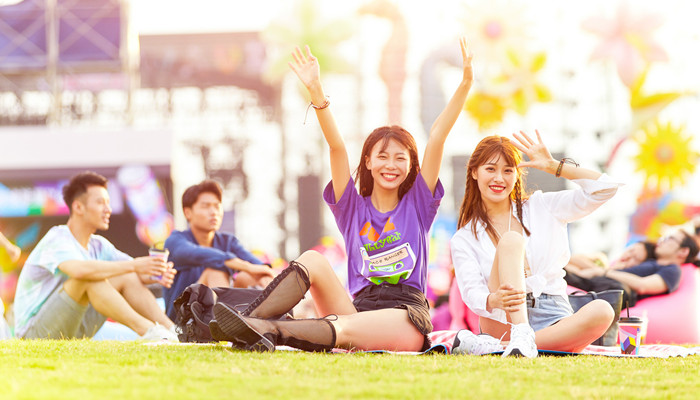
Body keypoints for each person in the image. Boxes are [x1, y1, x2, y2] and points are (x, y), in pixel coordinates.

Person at [209, 38, 473, 353]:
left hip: (404, 316)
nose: (391, 165)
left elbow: (437, 135)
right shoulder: (351, 207)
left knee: (343, 328)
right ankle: (249, 321)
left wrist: (465, 84)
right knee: (313, 260)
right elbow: (336, 147)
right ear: (368, 162)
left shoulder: (418, 203)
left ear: (411, 166)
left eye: (401, 158)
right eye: (383, 156)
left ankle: (263, 329)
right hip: (356, 308)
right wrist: (317, 92)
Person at [450, 133, 622, 357]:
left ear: (516, 174)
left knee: (603, 311)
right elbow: (472, 292)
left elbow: (605, 189)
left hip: (554, 314)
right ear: (474, 172)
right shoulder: (464, 237)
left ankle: (501, 348)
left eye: (508, 170)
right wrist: (493, 299)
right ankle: (521, 334)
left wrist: (554, 167)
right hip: (502, 318)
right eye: (490, 169)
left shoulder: (542, 206)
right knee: (511, 240)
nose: (499, 178)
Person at [13, 172, 179, 341]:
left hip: (73, 328)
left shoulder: (99, 245)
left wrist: (154, 273)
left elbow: (132, 274)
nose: (109, 209)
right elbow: (79, 271)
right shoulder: (58, 238)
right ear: (78, 207)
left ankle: (172, 330)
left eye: (108, 202)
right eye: (101, 203)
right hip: (34, 333)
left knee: (124, 274)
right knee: (88, 277)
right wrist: (135, 265)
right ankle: (149, 331)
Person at [163, 179, 275, 319]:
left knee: (252, 276)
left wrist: (260, 272)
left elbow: (260, 267)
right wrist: (245, 266)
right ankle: (226, 325)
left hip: (214, 314)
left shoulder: (228, 241)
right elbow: (198, 254)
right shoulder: (175, 240)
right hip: (183, 319)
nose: (214, 212)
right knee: (215, 271)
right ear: (188, 213)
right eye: (206, 206)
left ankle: (273, 325)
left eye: (217, 206)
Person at [565, 229, 698, 308]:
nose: (662, 241)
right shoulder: (651, 260)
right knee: (568, 264)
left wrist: (606, 272)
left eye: (670, 239)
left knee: (621, 290)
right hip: (602, 280)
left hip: (614, 289)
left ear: (683, 251)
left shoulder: (672, 270)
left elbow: (643, 286)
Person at [564, 240, 657, 275]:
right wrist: (603, 270)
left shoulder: (621, 281)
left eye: (635, 258)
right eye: (631, 250)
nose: (628, 256)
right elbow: (568, 259)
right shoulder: (601, 259)